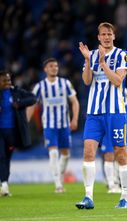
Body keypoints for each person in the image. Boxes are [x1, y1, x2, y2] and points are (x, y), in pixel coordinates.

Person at [76, 22, 127, 209]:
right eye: (103, 34)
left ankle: (124, 197)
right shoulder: (91, 55)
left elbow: (117, 81)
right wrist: (87, 61)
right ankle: (88, 197)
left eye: (109, 34)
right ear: (98, 37)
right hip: (94, 112)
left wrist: (101, 64)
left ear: (114, 36)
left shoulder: (123, 55)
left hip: (116, 112)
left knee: (120, 153)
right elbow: (86, 81)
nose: (107, 37)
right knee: (88, 151)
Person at [27, 58, 80, 193]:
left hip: (64, 125)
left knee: (66, 154)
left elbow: (74, 101)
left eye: (56, 66)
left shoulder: (65, 83)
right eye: (51, 66)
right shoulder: (40, 86)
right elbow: (33, 104)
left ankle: (60, 178)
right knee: (54, 152)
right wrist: (26, 122)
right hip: (49, 125)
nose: (54, 68)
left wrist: (74, 119)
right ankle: (58, 184)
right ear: (45, 69)